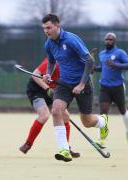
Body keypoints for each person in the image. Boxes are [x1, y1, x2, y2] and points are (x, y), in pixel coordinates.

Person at [42, 13, 109, 162]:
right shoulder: (48, 43)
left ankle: (103, 122)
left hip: (82, 83)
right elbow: (52, 62)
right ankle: (64, 149)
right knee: (56, 111)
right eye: (44, 28)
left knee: (87, 122)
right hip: (64, 83)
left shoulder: (71, 40)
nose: (46, 31)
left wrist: (81, 84)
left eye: (49, 27)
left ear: (57, 25)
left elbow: (90, 61)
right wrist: (48, 74)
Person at [19, 57, 80, 158]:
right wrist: (47, 88)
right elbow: (35, 75)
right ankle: (27, 144)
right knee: (44, 114)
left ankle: (65, 147)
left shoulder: (71, 69)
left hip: (53, 92)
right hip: (37, 90)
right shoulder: (54, 61)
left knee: (65, 117)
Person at [94, 32, 128, 142]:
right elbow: (102, 68)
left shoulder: (120, 53)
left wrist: (116, 65)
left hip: (117, 86)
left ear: (115, 41)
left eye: (110, 39)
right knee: (103, 112)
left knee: (123, 111)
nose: (108, 41)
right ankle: (102, 138)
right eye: (106, 39)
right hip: (105, 87)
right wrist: (94, 68)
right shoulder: (102, 54)